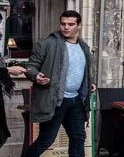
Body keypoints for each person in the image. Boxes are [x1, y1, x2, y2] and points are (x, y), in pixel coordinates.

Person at [23, 11, 95, 157]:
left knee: (78, 138)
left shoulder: (83, 47)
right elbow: (30, 66)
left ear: (79, 26)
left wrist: (89, 83)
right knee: (46, 140)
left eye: (71, 24)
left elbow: (83, 70)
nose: (66, 27)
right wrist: (35, 75)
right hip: (55, 100)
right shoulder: (47, 44)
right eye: (63, 24)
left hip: (76, 101)